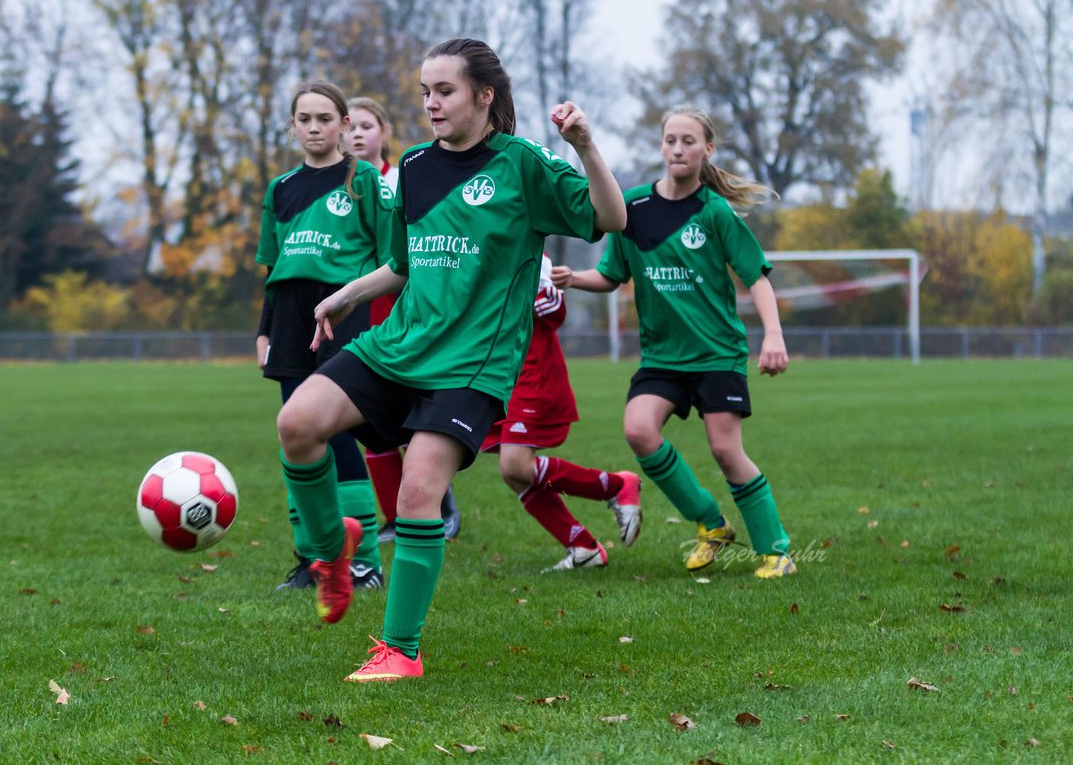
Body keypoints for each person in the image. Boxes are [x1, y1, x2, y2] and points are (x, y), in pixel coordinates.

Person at [276, 38, 625, 682]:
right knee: (297, 424)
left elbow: (611, 216)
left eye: (445, 91)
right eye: (425, 92)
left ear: (483, 95)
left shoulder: (522, 164)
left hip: (470, 365)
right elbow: (405, 264)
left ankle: (399, 652)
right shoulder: (412, 167)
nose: (432, 103)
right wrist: (345, 295)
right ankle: (332, 555)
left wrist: (585, 145)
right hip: (397, 346)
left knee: (418, 494)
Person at [552, 105, 795, 579]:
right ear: (661, 146)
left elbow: (758, 279)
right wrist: (573, 278)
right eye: (670, 140)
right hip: (663, 357)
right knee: (639, 430)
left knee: (726, 450)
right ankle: (711, 523)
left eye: (688, 140)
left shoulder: (716, 213)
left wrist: (774, 336)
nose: (678, 148)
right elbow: (610, 275)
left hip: (716, 353)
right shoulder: (633, 207)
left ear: (707, 149)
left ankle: (777, 551)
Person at [255, 82, 385, 591]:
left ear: (343, 125)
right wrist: (263, 331)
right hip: (290, 318)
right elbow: (274, 267)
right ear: (292, 126)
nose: (314, 127)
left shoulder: (365, 180)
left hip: (344, 313)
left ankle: (365, 560)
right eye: (304, 119)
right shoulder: (280, 189)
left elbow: (393, 256)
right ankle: (313, 559)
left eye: (324, 118)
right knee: (296, 434)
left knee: (337, 431)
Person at [346, 96, 461, 543]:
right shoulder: (340, 188)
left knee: (417, 417)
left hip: (407, 308)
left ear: (384, 133)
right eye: (350, 126)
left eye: (366, 125)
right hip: (362, 305)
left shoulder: (405, 178)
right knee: (371, 421)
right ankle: (394, 516)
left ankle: (441, 509)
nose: (357, 134)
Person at [484, 253, 641, 572]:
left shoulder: (527, 249)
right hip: (498, 374)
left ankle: (616, 485)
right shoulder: (472, 244)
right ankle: (583, 547)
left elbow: (554, 309)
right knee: (513, 473)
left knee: (516, 464)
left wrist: (552, 303)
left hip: (531, 371)